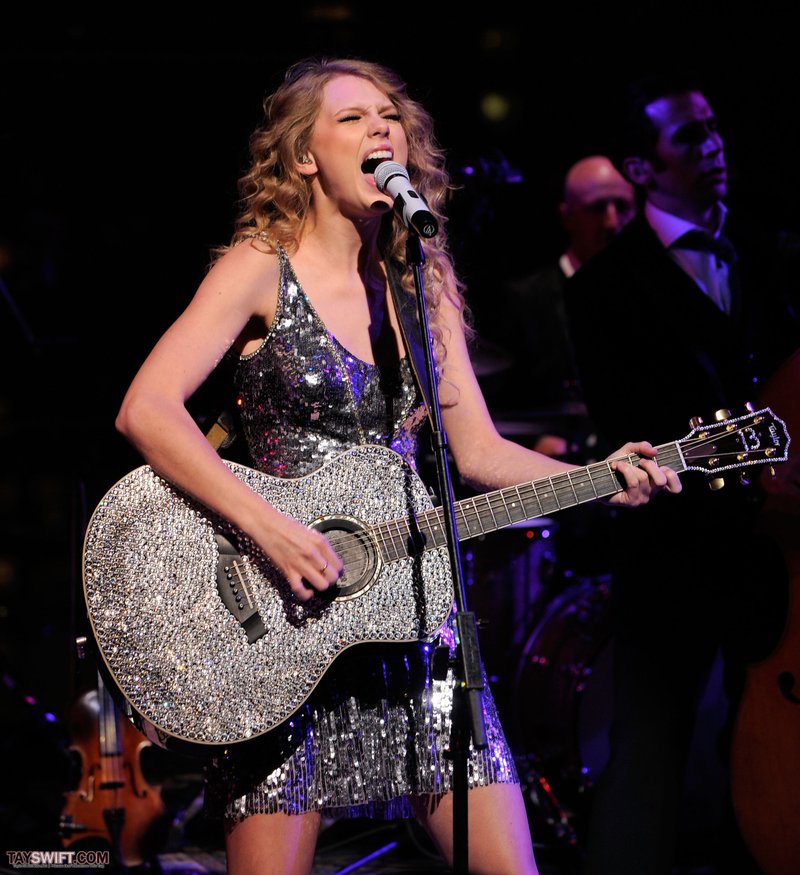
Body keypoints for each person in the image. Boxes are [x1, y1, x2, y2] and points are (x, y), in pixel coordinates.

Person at [114, 56, 680, 875]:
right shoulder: (257, 266)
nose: (381, 129)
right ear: (304, 155)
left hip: (417, 625)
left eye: (390, 117)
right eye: (352, 119)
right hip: (285, 628)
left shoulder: (423, 281)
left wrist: (602, 475)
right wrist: (271, 529)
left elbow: (477, 453)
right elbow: (147, 408)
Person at [563, 73, 800, 875]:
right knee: (650, 760)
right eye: (688, 137)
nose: (714, 146)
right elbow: (629, 419)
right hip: (671, 554)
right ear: (642, 165)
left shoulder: (770, 252)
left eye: (714, 128)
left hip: (778, 555)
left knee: (765, 755)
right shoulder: (604, 287)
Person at [493, 154, 636, 461]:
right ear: (568, 216)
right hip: (557, 465)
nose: (612, 222)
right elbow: (499, 402)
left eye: (622, 207)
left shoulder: (649, 295)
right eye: (598, 208)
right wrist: (536, 441)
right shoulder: (525, 299)